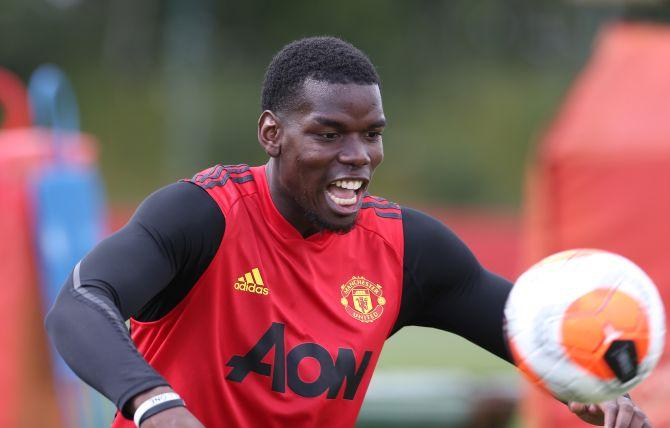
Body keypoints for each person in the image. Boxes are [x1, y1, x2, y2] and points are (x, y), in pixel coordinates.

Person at [45, 37, 652, 428]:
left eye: (372, 134)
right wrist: (158, 407)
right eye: (330, 134)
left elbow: (529, 323)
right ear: (271, 133)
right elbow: (78, 304)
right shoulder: (202, 216)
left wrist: (588, 382)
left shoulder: (407, 251)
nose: (358, 155)